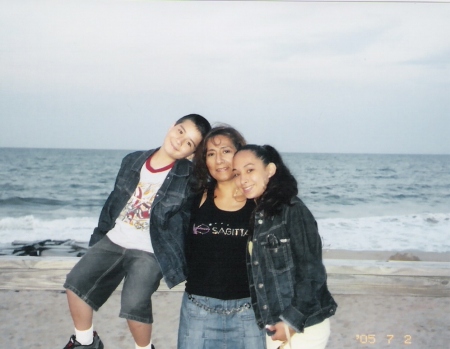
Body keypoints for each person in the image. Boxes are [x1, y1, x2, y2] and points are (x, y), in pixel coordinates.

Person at [62, 114, 211, 349]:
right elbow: (113, 203)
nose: (180, 141)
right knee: (75, 283)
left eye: (190, 143)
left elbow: (196, 215)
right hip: (114, 239)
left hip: (151, 250)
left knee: (134, 303)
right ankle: (85, 342)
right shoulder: (132, 160)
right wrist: (98, 240)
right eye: (181, 131)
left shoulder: (191, 179)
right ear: (172, 126)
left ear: (192, 153)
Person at [233, 144, 338, 349]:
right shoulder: (259, 215)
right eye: (237, 173)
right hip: (276, 326)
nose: (242, 179)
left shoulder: (293, 210)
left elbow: (312, 273)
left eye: (250, 170)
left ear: (270, 170)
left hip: (303, 326)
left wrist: (291, 322)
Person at [177, 126, 266, 349]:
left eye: (226, 151)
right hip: (198, 313)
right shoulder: (195, 195)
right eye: (210, 153)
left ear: (240, 153)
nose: (219, 160)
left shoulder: (259, 200)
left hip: (248, 313)